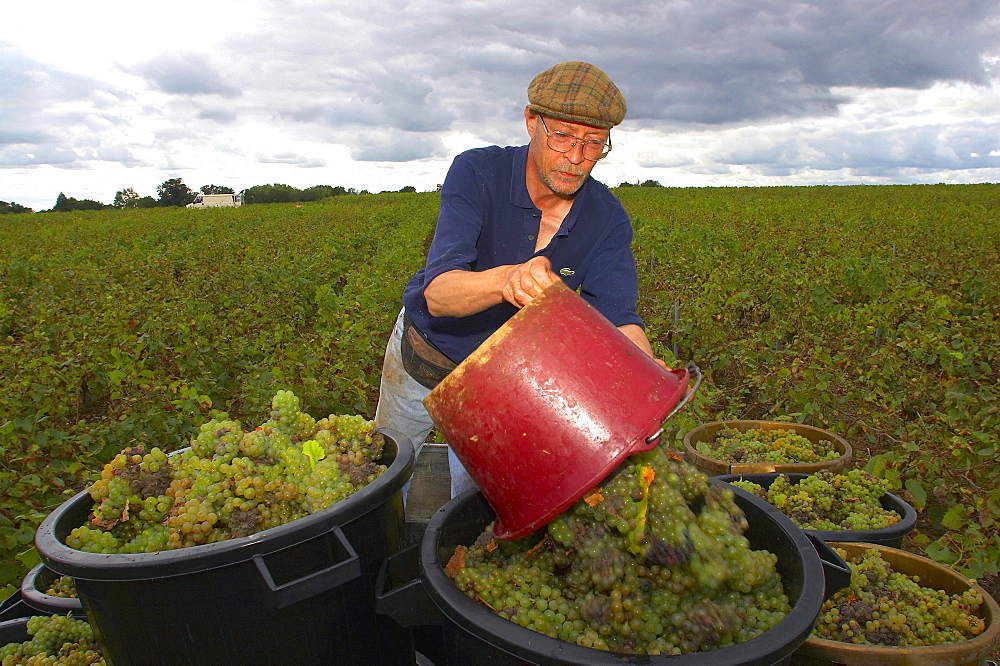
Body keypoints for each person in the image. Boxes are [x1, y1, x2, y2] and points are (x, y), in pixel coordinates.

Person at [375, 61, 663, 500]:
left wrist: (648, 385)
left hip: (506, 385)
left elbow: (619, 317)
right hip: (424, 358)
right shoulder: (478, 173)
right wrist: (508, 279)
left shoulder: (606, 218)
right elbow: (439, 295)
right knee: (386, 477)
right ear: (532, 120)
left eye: (593, 143)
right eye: (563, 135)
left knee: (477, 503)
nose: (576, 157)